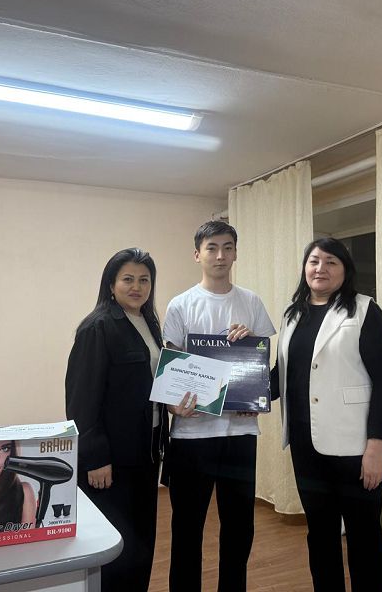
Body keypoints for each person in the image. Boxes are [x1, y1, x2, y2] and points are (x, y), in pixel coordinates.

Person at [273, 237, 382, 592]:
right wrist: (234, 381)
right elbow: (280, 377)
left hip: (354, 447)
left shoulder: (364, 310)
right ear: (305, 268)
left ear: (345, 270)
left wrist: (376, 447)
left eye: (331, 262)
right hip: (305, 445)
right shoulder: (292, 314)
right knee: (320, 534)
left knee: (364, 536)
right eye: (314, 261)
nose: (321, 268)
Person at [163, 221, 276, 592]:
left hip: (240, 432)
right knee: (187, 527)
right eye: (212, 248)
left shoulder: (252, 302)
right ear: (197, 254)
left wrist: (251, 345)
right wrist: (175, 407)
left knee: (240, 526)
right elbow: (171, 370)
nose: (220, 255)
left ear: (236, 253)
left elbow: (262, 363)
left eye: (228, 247)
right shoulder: (181, 304)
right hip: (191, 435)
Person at [65, 248, 168, 592]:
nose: (137, 287)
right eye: (128, 279)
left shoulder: (149, 323)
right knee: (115, 546)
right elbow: (81, 400)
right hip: (111, 460)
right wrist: (95, 457)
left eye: (144, 280)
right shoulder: (97, 327)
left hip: (146, 452)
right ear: (111, 284)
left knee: (142, 538)